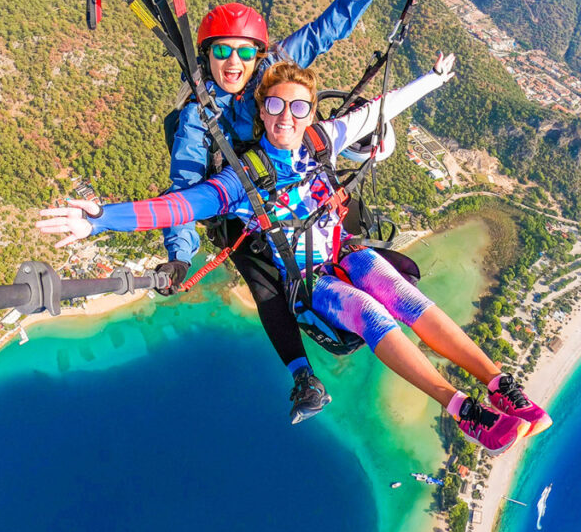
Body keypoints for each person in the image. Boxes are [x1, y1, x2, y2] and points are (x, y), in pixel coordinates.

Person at [38, 56, 551, 453]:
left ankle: (501, 384)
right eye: (276, 106)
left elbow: (379, 109)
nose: (287, 116)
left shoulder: (317, 143)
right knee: (371, 311)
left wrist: (433, 81)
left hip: (340, 252)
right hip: (309, 283)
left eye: (299, 106)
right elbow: (176, 206)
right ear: (261, 110)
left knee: (395, 289)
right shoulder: (240, 180)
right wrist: (100, 218)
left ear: (309, 111)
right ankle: (460, 408)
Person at [161, 0, 376, 425]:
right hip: (243, 212)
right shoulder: (198, 117)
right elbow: (183, 189)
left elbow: (329, 27)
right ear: (206, 56)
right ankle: (304, 377)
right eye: (222, 51)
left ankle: (370, 287)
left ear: (259, 55)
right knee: (262, 282)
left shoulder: (274, 68)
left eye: (244, 52)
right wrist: (179, 256)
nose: (234, 64)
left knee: (346, 224)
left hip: (297, 182)